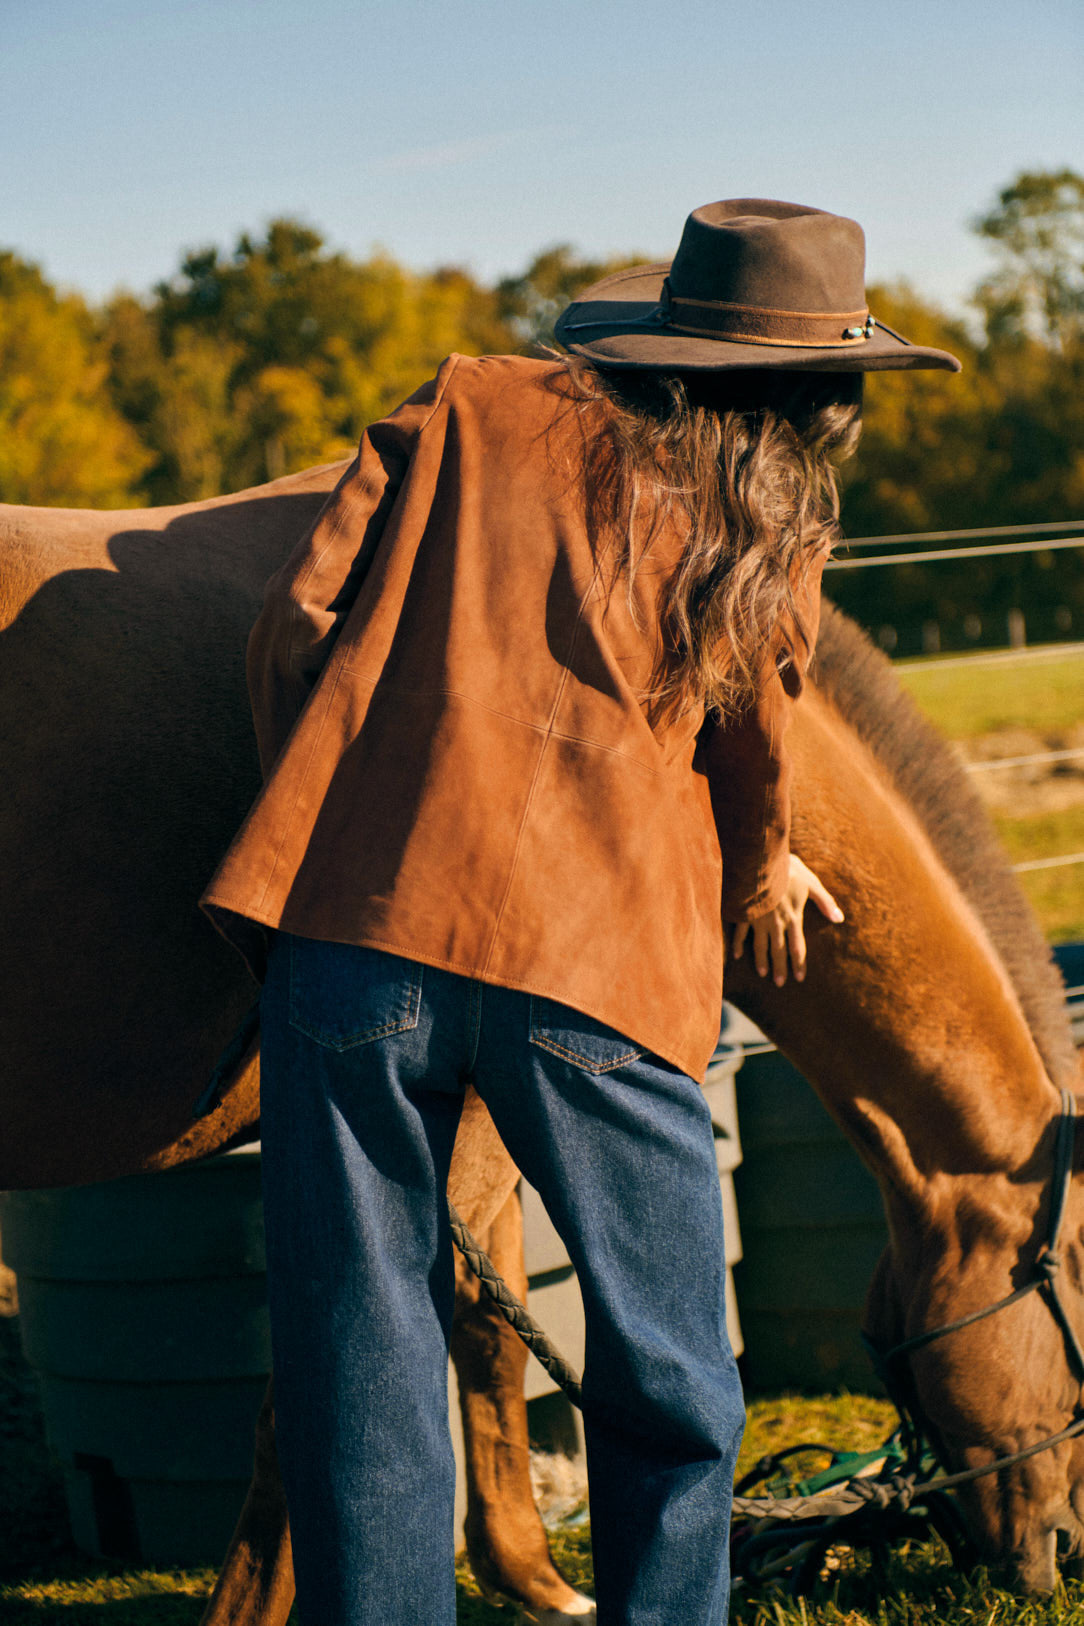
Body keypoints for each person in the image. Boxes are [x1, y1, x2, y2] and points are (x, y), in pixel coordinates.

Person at [201, 198, 960, 1626]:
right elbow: (756, 737)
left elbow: (296, 629)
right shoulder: (769, 506)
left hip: (356, 944)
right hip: (596, 974)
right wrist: (763, 860)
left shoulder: (465, 409)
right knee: (671, 1372)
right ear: (821, 395)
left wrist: (351, 827)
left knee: (357, 1348)